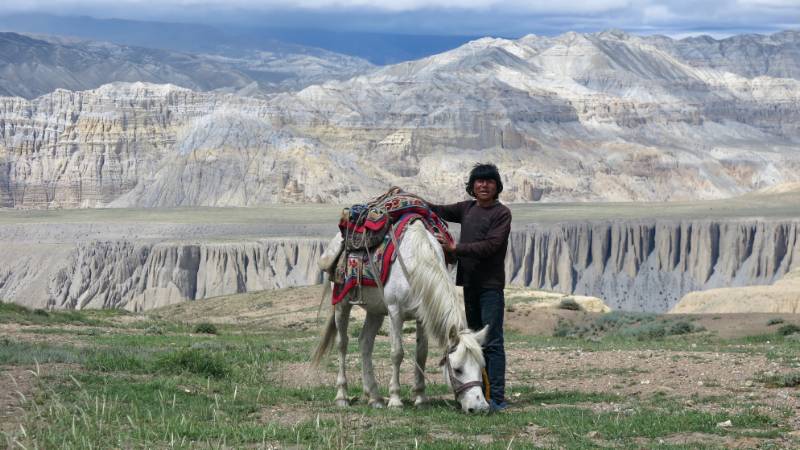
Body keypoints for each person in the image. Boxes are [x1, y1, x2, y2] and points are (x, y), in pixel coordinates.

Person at [428, 163, 512, 412]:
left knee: (493, 342)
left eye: (489, 181)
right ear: (472, 186)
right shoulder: (467, 208)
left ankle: (496, 397)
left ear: (496, 186)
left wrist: (456, 249)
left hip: (490, 287)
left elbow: (491, 246)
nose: (483, 185)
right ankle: (479, 393)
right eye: (479, 181)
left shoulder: (502, 213)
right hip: (470, 285)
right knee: (473, 342)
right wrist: (412, 200)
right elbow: (439, 210)